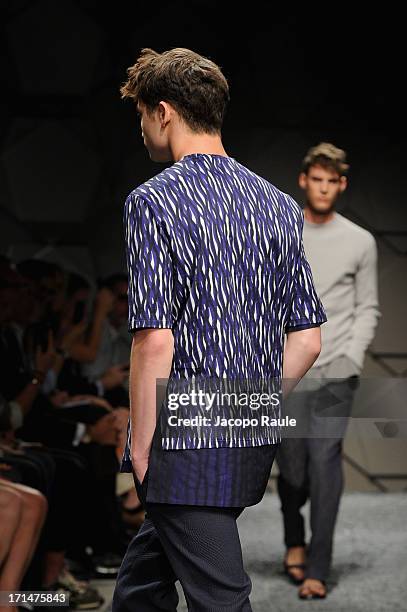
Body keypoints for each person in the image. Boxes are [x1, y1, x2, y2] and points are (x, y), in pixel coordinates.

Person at [112, 48, 327, 612]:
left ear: (163, 112)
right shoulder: (279, 205)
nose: (141, 129)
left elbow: (154, 337)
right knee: (140, 588)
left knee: (220, 599)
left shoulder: (154, 200)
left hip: (183, 438)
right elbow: (307, 338)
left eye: (140, 115)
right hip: (246, 430)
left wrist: (140, 443)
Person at [276, 143, 380, 599]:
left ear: (341, 185)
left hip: (337, 369)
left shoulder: (360, 240)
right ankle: (294, 539)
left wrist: (352, 358)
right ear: (304, 181)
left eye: (330, 181)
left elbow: (367, 307)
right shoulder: (282, 230)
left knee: (324, 465)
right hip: (288, 369)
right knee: (293, 471)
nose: (322, 188)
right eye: (315, 180)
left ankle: (318, 566)